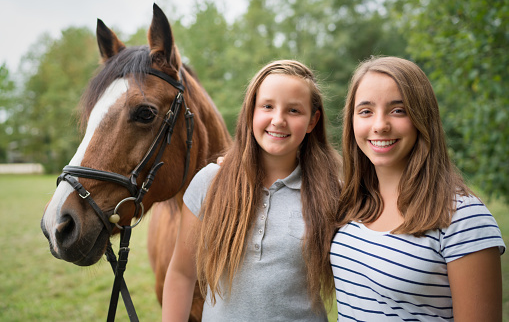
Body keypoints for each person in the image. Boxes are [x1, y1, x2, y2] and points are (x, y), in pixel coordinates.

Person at [162, 60, 342, 321]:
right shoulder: (210, 183)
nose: (278, 120)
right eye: (267, 106)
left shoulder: (332, 192)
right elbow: (182, 273)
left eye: (294, 110)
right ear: (251, 111)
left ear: (313, 120)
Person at [328, 56, 505, 321]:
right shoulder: (351, 203)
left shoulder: (463, 218)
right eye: (366, 111)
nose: (380, 125)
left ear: (423, 117)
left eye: (398, 110)